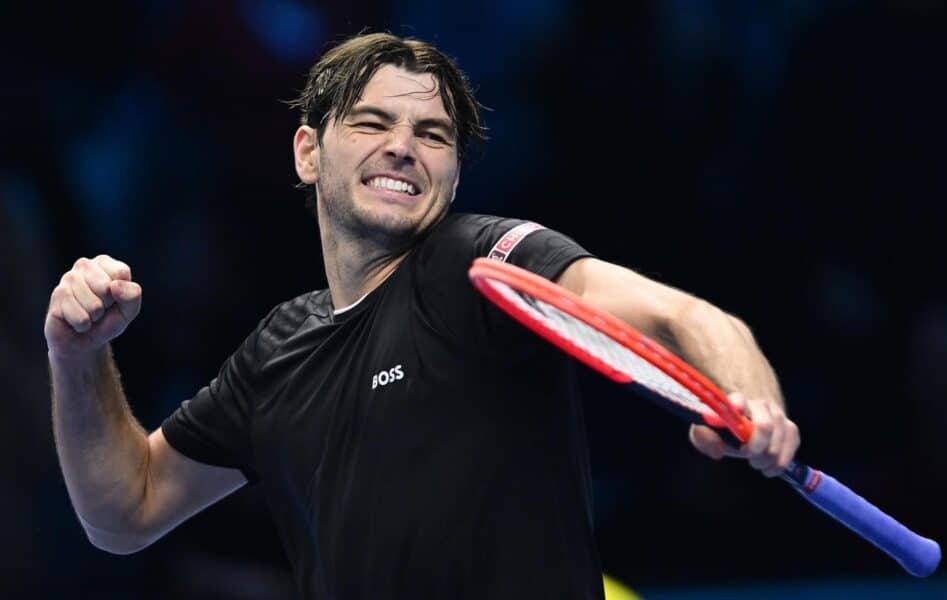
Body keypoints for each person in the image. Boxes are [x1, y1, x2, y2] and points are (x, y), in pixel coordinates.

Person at [47, 32, 799, 599]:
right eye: (373, 124)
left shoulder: (479, 264)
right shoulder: (275, 352)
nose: (404, 148)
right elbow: (125, 512)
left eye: (432, 135)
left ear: (454, 171)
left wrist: (752, 402)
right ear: (309, 152)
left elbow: (688, 319)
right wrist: (78, 357)